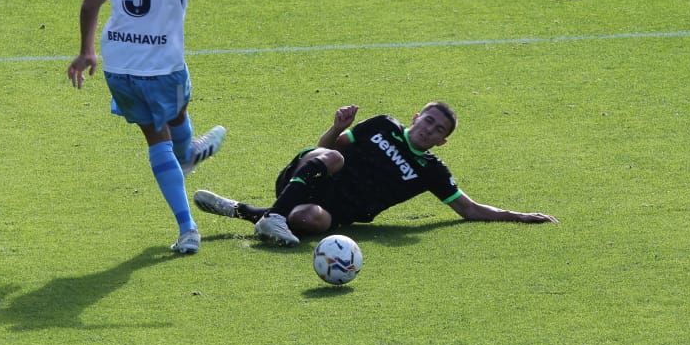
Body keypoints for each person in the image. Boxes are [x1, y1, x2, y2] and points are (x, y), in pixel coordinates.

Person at [68, 0, 290, 255]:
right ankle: (188, 155)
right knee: (175, 114)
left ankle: (187, 229)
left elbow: (91, 3)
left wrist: (87, 50)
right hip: (161, 62)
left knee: (156, 134)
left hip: (117, 59)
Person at [193, 102, 558, 244]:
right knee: (334, 156)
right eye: (428, 121)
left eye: (438, 131)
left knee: (310, 220)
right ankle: (271, 216)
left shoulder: (431, 170)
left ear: (442, 142)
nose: (429, 130)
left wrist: (520, 216)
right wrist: (336, 126)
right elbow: (324, 146)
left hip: (334, 209)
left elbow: (469, 209)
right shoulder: (382, 125)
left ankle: (244, 212)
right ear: (417, 117)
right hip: (310, 175)